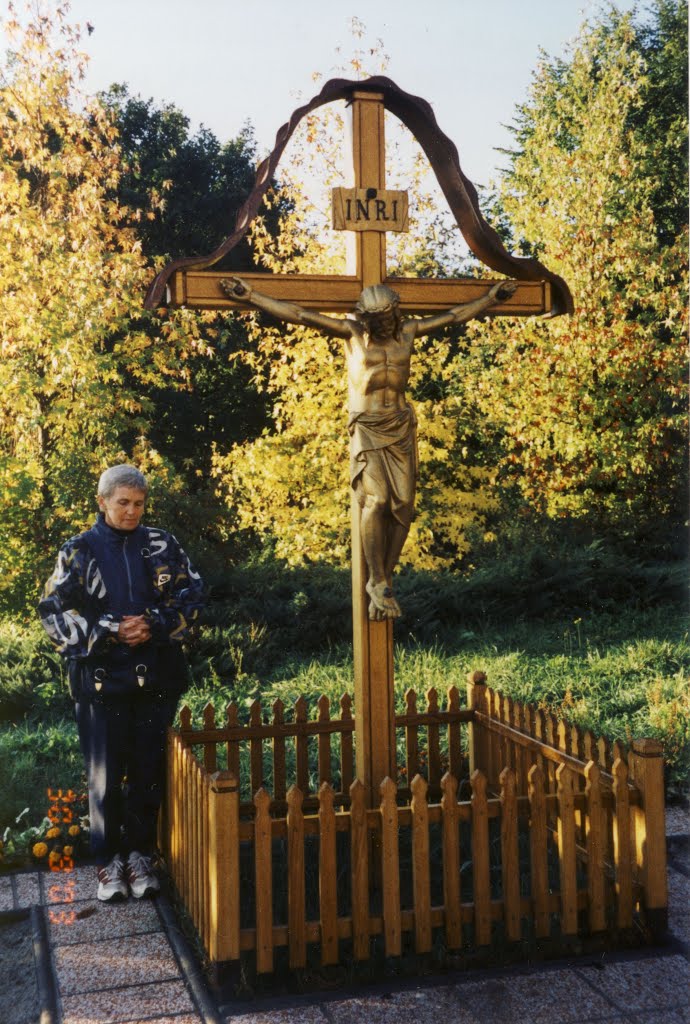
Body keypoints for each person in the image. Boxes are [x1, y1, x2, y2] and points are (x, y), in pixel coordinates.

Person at [221, 275, 518, 619]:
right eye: (376, 322)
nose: (383, 325)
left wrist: (491, 299)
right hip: (368, 426)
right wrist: (253, 296)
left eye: (388, 319)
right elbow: (299, 313)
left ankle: (385, 578)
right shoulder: (351, 335)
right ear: (366, 320)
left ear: (396, 314)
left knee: (404, 505)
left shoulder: (407, 332)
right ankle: (377, 579)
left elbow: (453, 316)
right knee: (376, 500)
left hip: (401, 425)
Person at [38, 465, 205, 902]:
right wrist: (108, 629)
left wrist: (153, 623)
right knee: (106, 776)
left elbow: (192, 594)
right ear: (102, 502)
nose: (131, 511)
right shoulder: (77, 551)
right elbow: (53, 611)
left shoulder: (162, 544)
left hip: (156, 677)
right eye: (122, 503)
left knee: (148, 771)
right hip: (100, 684)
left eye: (139, 504)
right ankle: (109, 861)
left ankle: (140, 855)